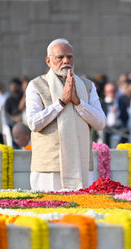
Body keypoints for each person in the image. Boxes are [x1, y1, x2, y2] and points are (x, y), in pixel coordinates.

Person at [25, 38, 106, 191]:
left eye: (69, 57)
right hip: (49, 169)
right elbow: (33, 123)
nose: (66, 61)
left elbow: (100, 123)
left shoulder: (87, 86)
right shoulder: (36, 85)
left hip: (81, 166)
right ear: (48, 61)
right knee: (49, 213)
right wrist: (61, 103)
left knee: (82, 211)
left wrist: (78, 103)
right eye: (60, 57)